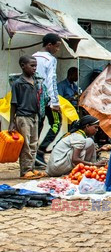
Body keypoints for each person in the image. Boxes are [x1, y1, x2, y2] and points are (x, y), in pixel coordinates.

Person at [8, 56, 47, 179]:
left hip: (34, 116)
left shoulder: (36, 81)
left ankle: (31, 168)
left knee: (34, 144)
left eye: (35, 66)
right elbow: (13, 103)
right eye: (32, 65)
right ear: (23, 65)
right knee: (26, 144)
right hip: (23, 117)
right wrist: (11, 122)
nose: (34, 68)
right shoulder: (18, 83)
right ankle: (25, 170)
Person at [33, 33, 62, 168]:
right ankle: (40, 151)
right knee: (57, 122)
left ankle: (33, 154)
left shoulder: (33, 57)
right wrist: (55, 102)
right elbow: (51, 81)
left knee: (38, 125)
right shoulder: (50, 59)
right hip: (47, 98)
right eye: (57, 46)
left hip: (34, 98)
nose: (57, 49)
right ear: (49, 45)